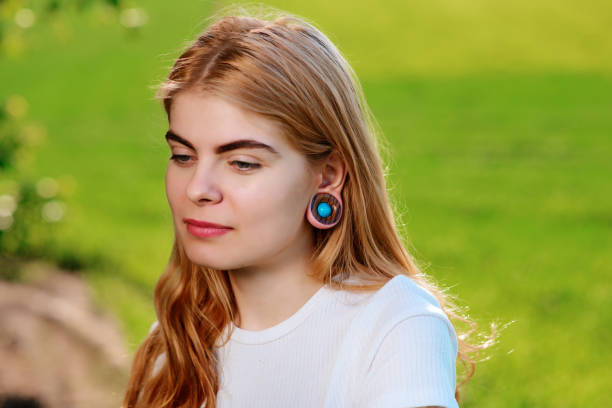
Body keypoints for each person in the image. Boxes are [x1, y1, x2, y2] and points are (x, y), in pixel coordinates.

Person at [122, 6, 490, 408]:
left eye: (242, 163)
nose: (198, 189)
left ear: (327, 175)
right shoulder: (176, 338)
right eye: (182, 155)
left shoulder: (395, 325)